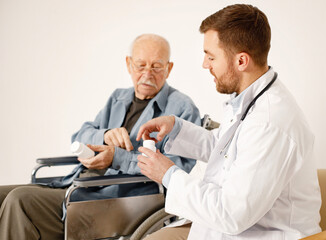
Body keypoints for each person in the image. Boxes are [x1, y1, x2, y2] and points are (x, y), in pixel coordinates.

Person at [136, 5, 321, 240]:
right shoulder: (252, 99)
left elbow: (231, 215)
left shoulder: (270, 123)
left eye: (211, 56)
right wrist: (177, 128)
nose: (205, 64)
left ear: (241, 61)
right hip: (225, 226)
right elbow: (228, 149)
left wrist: (169, 175)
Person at [0, 34, 201, 240]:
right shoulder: (118, 98)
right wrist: (104, 135)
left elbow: (178, 168)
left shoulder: (181, 109)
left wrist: (117, 158)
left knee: (19, 200)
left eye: (156, 66)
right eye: (140, 65)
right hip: (79, 182)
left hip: (118, 200)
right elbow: (80, 135)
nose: (147, 74)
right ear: (128, 64)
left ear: (169, 68)